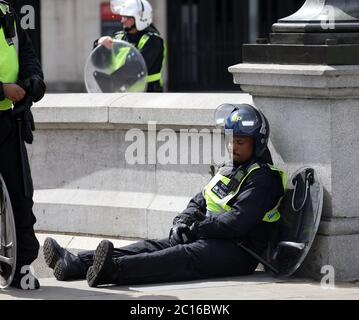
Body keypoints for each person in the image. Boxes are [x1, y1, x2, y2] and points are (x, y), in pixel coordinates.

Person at [43, 104, 286, 287]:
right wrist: (183, 221)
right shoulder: (229, 168)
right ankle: (76, 263)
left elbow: (237, 222)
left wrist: (197, 229)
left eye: (241, 142)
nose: (233, 147)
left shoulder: (264, 178)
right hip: (212, 237)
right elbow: (201, 199)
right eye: (231, 140)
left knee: (179, 256)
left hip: (239, 251)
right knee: (154, 245)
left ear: (258, 142)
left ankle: (111, 270)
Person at [0, 0, 46, 289]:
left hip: (9, 121)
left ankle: (20, 269)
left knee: (20, 196)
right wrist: (1, 89)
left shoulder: (7, 11)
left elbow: (26, 53)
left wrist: (34, 80)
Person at [95, 0, 166, 92]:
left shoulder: (153, 41)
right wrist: (99, 43)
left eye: (126, 17)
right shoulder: (119, 37)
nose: (122, 20)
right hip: (121, 94)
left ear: (140, 18)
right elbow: (98, 63)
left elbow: (137, 68)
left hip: (148, 96)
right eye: (122, 17)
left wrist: (110, 82)